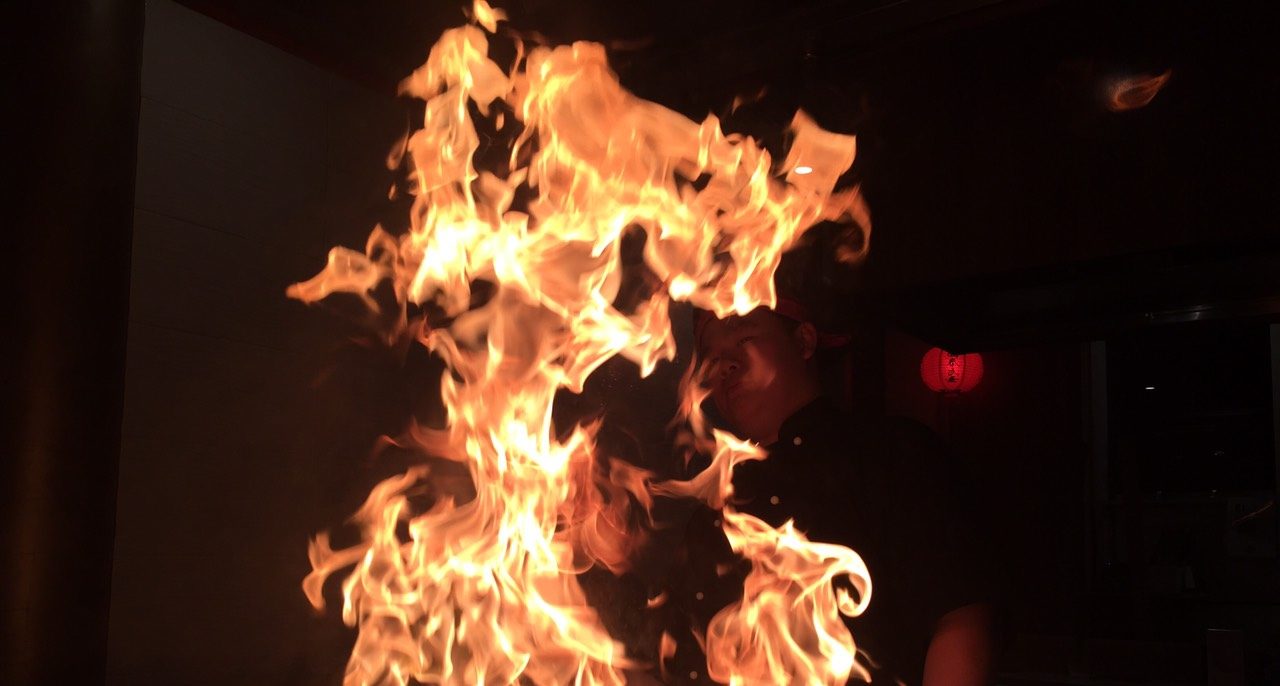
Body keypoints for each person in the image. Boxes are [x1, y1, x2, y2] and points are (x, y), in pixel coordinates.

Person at [657, 299, 995, 685]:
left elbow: (959, 617)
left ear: (804, 341)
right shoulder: (715, 514)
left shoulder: (892, 454)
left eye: (744, 337)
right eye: (711, 356)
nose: (725, 365)